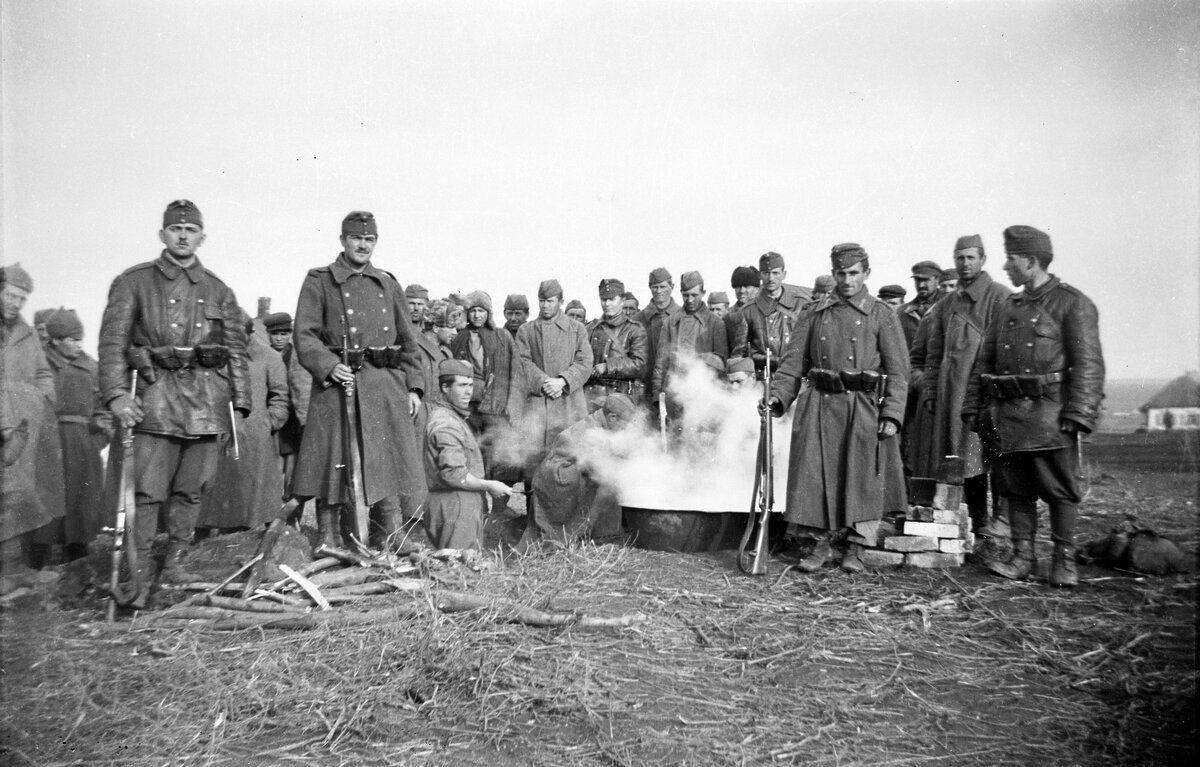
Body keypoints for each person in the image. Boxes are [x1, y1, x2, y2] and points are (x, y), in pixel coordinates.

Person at [97, 201, 250, 600]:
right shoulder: (134, 282)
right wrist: (115, 395)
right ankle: (139, 571)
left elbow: (236, 350)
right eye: (176, 228)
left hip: (205, 405)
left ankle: (175, 564)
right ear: (162, 235)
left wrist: (241, 407)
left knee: (191, 490)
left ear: (203, 237)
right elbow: (112, 344)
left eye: (191, 229)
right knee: (146, 494)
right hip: (154, 400)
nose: (183, 235)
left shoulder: (219, 289)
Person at [963, 226, 1104, 587]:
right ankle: (1022, 556)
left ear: (1032, 260)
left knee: (1060, 490)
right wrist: (973, 407)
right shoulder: (1008, 305)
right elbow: (985, 361)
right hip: (1006, 416)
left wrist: (1079, 413)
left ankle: (1063, 560)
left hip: (1050, 417)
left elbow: (1088, 365)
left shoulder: (1073, 303)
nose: (1007, 265)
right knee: (1014, 489)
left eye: (1012, 258)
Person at [766, 243, 908, 574]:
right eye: (841, 274)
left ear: (866, 274)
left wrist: (892, 415)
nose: (847, 280)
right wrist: (777, 396)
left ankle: (856, 546)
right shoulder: (814, 313)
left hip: (862, 406)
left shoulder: (881, 315)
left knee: (860, 478)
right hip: (820, 404)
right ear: (833, 274)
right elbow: (791, 365)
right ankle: (820, 544)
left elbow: (899, 372)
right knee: (817, 475)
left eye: (854, 273)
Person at [292, 210, 426, 550]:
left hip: (383, 384)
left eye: (369, 239)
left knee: (386, 456)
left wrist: (413, 386)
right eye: (356, 238)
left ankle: (390, 532)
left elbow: (409, 341)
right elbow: (304, 336)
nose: (362, 245)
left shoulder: (387, 283)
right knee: (332, 457)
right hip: (339, 384)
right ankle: (329, 535)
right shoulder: (319, 281)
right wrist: (327, 364)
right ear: (342, 240)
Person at [922, 235, 1011, 537]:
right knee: (962, 459)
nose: (965, 263)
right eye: (959, 257)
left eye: (971, 257)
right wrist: (932, 391)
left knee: (994, 458)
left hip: (987, 395)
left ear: (983, 259)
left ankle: (1001, 523)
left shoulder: (1000, 296)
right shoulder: (947, 304)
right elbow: (934, 352)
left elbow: (1006, 350)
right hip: (952, 396)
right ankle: (976, 522)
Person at [514, 279, 593, 538]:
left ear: (560, 300)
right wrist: (542, 382)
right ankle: (533, 524)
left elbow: (585, 362)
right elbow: (522, 361)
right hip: (538, 407)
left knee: (569, 465)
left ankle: (568, 527)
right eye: (541, 301)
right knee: (536, 465)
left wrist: (563, 381)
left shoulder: (576, 329)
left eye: (550, 301)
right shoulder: (527, 330)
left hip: (569, 405)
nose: (545, 305)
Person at [198, 312, 289, 535]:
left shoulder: (268, 357)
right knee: (209, 492)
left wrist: (269, 423)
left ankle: (247, 539)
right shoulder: (209, 354)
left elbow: (280, 395)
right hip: (216, 434)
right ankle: (202, 544)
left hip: (254, 438)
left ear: (249, 332)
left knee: (250, 496)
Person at [1, 264, 65, 577]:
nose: (15, 303)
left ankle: (13, 570)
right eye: (10, 295)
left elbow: (42, 371)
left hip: (23, 425)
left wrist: (43, 399)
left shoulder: (27, 333)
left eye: (22, 298)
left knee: (18, 495)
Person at [423, 359, 512, 549]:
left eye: (471, 385)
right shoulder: (446, 424)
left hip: (459, 504)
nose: (468, 391)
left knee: (464, 567)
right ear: (445, 387)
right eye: (462, 385)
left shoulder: (453, 416)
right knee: (457, 573)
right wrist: (490, 485)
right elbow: (455, 475)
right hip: (455, 506)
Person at [43, 308, 110, 561]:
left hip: (83, 442)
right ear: (56, 340)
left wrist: (98, 440)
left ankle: (78, 556)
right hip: (48, 441)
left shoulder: (91, 367)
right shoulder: (40, 365)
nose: (78, 345)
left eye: (80, 339)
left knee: (83, 500)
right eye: (72, 339)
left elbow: (105, 408)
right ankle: (43, 560)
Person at [450, 290, 523, 512]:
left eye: (481, 310)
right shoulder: (460, 338)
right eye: (472, 311)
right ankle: (478, 508)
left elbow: (516, 371)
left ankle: (500, 510)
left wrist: (513, 403)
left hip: (497, 407)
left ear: (489, 313)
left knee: (502, 458)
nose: (477, 316)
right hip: (470, 409)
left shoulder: (503, 336)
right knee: (473, 457)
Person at [531, 393, 636, 542]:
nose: (626, 428)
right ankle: (599, 535)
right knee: (606, 482)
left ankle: (602, 532)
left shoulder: (599, 422)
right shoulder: (592, 429)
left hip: (564, 470)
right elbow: (597, 465)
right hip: (558, 477)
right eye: (625, 423)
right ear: (612, 417)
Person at [650, 271, 729, 414]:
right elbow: (660, 363)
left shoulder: (715, 323)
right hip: (674, 392)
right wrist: (657, 396)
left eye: (694, 295)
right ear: (680, 292)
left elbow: (721, 364)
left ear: (703, 293)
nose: (690, 300)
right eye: (686, 295)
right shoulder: (670, 322)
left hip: (703, 394)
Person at [734, 252, 811, 378]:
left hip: (796, 378)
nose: (770, 278)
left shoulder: (802, 305)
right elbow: (739, 355)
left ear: (784, 274)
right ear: (760, 275)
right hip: (762, 378)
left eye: (775, 273)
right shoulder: (747, 311)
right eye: (766, 273)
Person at [584, 278, 648, 411]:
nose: (607, 304)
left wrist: (609, 366)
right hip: (593, 399)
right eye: (603, 299)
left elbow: (639, 365)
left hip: (622, 399)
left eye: (612, 299)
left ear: (622, 300)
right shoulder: (591, 328)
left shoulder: (634, 329)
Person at [635, 268, 680, 398]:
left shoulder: (683, 317)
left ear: (672, 287)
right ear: (650, 288)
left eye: (663, 286)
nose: (659, 291)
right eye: (655, 287)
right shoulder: (638, 320)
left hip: (675, 385)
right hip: (645, 387)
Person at [897, 261, 942, 349]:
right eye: (917, 280)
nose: (921, 285)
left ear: (937, 280)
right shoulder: (902, 312)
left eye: (926, 280)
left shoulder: (948, 307)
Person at [725, 265, 761, 356]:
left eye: (747, 286)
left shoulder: (764, 313)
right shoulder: (728, 317)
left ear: (757, 288)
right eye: (738, 286)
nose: (741, 290)